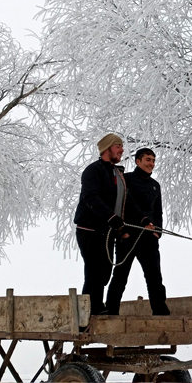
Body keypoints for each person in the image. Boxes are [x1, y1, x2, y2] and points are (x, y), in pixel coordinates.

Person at [74, 133, 153, 315]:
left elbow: (128, 200)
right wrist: (112, 218)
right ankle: (90, 312)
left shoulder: (117, 173)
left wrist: (144, 219)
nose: (122, 150)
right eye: (118, 146)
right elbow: (91, 197)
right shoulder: (93, 171)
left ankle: (95, 307)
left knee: (104, 272)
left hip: (107, 231)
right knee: (94, 271)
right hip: (90, 229)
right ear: (107, 148)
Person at [106, 148, 171, 316]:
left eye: (153, 160)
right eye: (148, 160)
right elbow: (122, 205)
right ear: (138, 161)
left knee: (154, 277)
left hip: (149, 238)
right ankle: (111, 311)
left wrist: (158, 232)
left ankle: (160, 311)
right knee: (120, 276)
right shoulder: (126, 180)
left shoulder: (155, 185)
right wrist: (122, 231)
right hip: (128, 236)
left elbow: (158, 212)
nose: (151, 164)